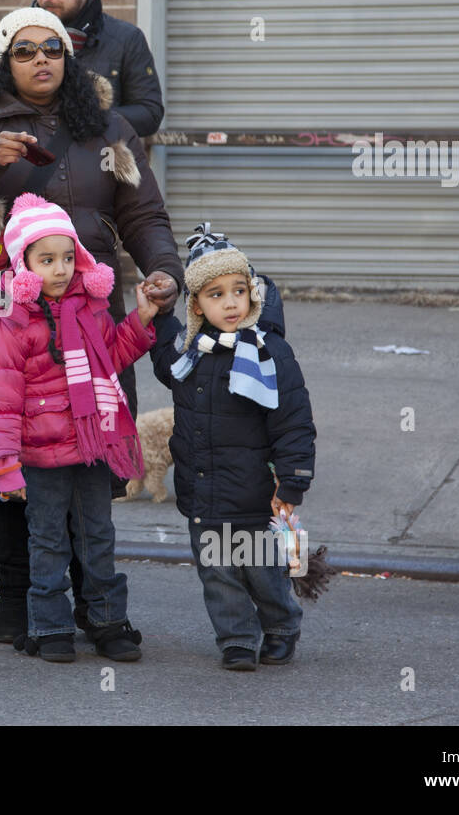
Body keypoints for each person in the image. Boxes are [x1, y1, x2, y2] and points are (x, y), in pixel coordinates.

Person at [0, 6, 183, 644]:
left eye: (52, 47)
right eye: (24, 50)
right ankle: (18, 597)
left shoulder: (107, 128)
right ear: (5, 62)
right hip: (14, 322)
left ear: (68, 57)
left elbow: (145, 214)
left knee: (89, 457)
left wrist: (163, 271)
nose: (41, 58)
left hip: (92, 322)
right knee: (15, 453)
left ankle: (94, 603)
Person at [0, 194, 155, 663]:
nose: (59, 269)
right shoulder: (8, 320)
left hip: (91, 446)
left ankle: (107, 621)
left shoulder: (91, 306)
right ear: (23, 263)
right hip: (40, 456)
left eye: (66, 257)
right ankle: (50, 625)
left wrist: (140, 321)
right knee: (48, 542)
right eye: (45, 260)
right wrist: (5, 464)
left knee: (98, 538)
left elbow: (111, 359)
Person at [151, 224, 316, 671]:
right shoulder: (190, 351)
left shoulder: (269, 352)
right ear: (196, 305)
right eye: (215, 294)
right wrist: (159, 316)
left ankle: (280, 627)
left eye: (238, 291)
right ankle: (237, 638)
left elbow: (294, 421)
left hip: (254, 494)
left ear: (253, 295)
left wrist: (293, 479)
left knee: (263, 571)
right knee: (218, 573)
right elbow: (166, 365)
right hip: (202, 490)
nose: (229, 302)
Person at [24, 0, 164, 138]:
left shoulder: (126, 38)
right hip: (33, 165)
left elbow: (149, 114)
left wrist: (91, 116)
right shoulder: (15, 38)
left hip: (100, 164)